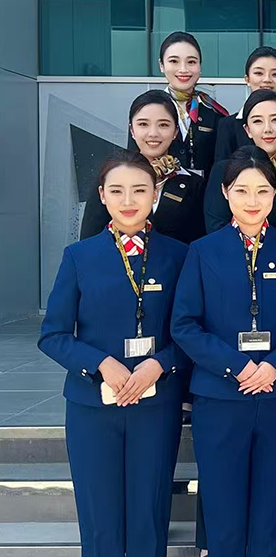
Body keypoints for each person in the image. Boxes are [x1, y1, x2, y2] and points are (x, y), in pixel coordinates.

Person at [39, 150, 189, 557]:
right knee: (99, 520)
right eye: (117, 190)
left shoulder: (179, 256)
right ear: (102, 196)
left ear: (155, 195)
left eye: (139, 190)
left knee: (149, 516)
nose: (128, 200)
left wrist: (160, 364)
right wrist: (101, 363)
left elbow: (192, 330)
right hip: (92, 406)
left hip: (155, 404)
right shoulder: (79, 256)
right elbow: (53, 335)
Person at [171, 151, 276, 557]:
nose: (253, 201)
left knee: (271, 513)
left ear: (275, 194)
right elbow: (184, 324)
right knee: (223, 514)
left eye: (263, 191)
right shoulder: (203, 250)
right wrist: (236, 366)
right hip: (220, 397)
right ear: (224, 192)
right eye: (242, 191)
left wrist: (275, 365)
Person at [82, 90, 206, 245]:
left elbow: (199, 245)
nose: (153, 133)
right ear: (132, 130)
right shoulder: (111, 177)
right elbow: (89, 241)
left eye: (163, 125)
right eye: (143, 124)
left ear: (175, 131)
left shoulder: (195, 185)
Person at [205, 91, 276, 235]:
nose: (267, 129)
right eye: (257, 121)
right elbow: (217, 228)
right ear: (247, 130)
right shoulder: (225, 171)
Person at [130, 31, 229, 176]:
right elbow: (132, 160)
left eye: (191, 62)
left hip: (204, 189)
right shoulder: (146, 108)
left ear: (200, 66)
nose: (183, 69)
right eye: (174, 61)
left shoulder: (214, 113)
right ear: (161, 65)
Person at [214, 46, 276, 166]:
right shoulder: (228, 125)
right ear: (247, 79)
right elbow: (221, 170)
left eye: (275, 74)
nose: (267, 79)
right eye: (259, 73)